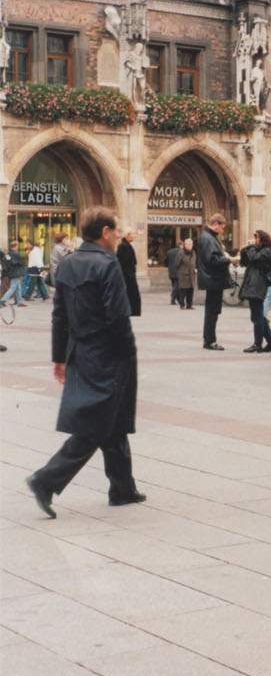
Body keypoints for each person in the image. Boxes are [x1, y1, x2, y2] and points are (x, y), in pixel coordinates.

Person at [24, 207, 144, 518]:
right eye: (116, 231)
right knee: (97, 421)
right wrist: (128, 352)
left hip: (81, 352)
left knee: (111, 416)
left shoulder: (67, 264)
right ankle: (46, 479)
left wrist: (59, 357)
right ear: (104, 232)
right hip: (109, 353)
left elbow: (59, 316)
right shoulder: (108, 264)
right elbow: (118, 316)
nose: (118, 236)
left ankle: (122, 488)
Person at [195, 213, 232, 349]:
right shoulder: (208, 238)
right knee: (212, 311)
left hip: (213, 280)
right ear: (215, 224)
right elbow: (212, 260)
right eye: (222, 227)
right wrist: (229, 260)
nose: (222, 230)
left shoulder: (209, 237)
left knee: (213, 311)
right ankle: (210, 341)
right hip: (213, 279)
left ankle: (209, 340)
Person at [240, 230, 271, 352]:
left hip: (259, 285)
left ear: (262, 239)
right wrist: (246, 249)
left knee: (257, 316)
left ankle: (258, 344)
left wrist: (251, 247)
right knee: (258, 316)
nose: (254, 240)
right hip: (254, 284)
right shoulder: (258, 250)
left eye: (256, 238)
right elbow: (245, 262)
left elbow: (254, 258)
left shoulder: (267, 251)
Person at [115, 224, 143, 317]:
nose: (135, 236)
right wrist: (129, 275)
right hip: (127, 277)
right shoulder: (123, 246)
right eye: (133, 234)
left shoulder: (126, 245)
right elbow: (122, 263)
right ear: (127, 235)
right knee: (131, 295)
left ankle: (131, 310)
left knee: (132, 296)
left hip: (129, 275)